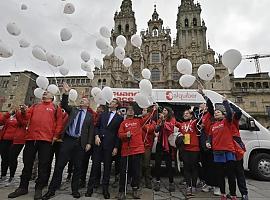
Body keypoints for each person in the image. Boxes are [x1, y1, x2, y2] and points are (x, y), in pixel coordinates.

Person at [42, 82, 94, 199]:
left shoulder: (90, 117)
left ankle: (75, 190)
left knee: (78, 167)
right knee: (59, 165)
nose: (82, 101)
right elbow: (64, 104)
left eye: (84, 100)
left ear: (88, 104)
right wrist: (66, 92)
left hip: (80, 143)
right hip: (68, 141)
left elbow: (91, 131)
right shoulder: (73, 110)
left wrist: (89, 143)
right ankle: (51, 190)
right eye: (81, 100)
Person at [8, 91, 63, 200]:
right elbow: (26, 118)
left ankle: (39, 188)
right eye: (44, 92)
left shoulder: (56, 108)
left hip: (46, 140)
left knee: (43, 165)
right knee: (27, 163)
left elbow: (59, 123)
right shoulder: (35, 105)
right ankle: (23, 187)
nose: (44, 93)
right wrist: (23, 111)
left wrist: (56, 135)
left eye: (47, 93)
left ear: (52, 97)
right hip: (31, 139)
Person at [85, 98, 123, 199]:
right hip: (98, 144)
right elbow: (96, 127)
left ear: (116, 105)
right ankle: (90, 188)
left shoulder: (120, 118)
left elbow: (118, 135)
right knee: (95, 167)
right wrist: (96, 136)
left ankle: (105, 189)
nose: (110, 103)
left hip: (109, 146)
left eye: (113, 102)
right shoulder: (103, 114)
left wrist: (116, 147)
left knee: (107, 168)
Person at [117, 105, 156, 200]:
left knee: (136, 171)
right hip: (126, 151)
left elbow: (148, 117)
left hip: (137, 150)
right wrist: (126, 134)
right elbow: (120, 135)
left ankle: (135, 189)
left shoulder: (138, 121)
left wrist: (154, 109)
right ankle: (122, 190)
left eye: (132, 110)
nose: (130, 111)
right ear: (126, 112)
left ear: (134, 113)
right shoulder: (123, 123)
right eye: (128, 110)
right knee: (124, 172)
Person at [206, 96, 237, 200]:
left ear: (223, 115)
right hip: (217, 152)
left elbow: (229, 113)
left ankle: (233, 194)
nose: (216, 113)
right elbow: (209, 137)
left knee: (231, 175)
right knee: (220, 174)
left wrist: (225, 102)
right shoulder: (212, 126)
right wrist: (208, 143)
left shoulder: (227, 122)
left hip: (228, 151)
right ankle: (223, 194)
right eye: (215, 113)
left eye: (218, 112)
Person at [197, 88, 220, 196]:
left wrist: (204, 95)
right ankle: (208, 183)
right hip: (203, 143)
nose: (201, 106)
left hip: (211, 142)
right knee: (205, 164)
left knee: (213, 165)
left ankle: (217, 186)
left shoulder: (210, 114)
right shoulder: (203, 116)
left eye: (203, 105)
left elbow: (210, 105)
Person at [79, 105, 105, 188]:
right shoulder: (93, 115)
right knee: (84, 161)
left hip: (97, 143)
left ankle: (96, 181)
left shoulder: (104, 118)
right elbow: (88, 109)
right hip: (88, 141)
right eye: (98, 109)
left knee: (96, 162)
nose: (99, 110)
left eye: (101, 110)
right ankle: (82, 180)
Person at [175, 109, 200, 196]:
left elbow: (199, 119)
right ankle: (188, 186)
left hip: (194, 149)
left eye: (187, 113)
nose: (185, 115)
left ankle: (194, 186)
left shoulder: (193, 122)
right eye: (184, 113)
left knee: (194, 168)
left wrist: (192, 111)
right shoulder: (181, 125)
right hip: (185, 149)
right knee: (186, 168)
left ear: (191, 115)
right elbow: (173, 121)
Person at [154, 107, 176, 192]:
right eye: (163, 110)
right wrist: (160, 123)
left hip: (168, 144)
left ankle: (171, 182)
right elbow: (156, 129)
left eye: (165, 110)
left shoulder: (172, 119)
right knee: (157, 164)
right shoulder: (159, 119)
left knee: (169, 164)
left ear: (169, 112)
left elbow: (170, 128)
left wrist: (164, 121)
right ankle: (157, 181)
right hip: (160, 143)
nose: (164, 111)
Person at [229, 103, 248, 200]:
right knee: (230, 174)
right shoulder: (223, 122)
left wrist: (229, 103)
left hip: (236, 149)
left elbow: (238, 112)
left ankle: (244, 193)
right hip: (228, 150)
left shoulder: (234, 120)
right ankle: (233, 193)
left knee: (239, 172)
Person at [6, 105, 28, 186]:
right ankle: (5, 174)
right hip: (8, 139)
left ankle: (12, 175)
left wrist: (21, 112)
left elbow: (23, 121)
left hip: (19, 139)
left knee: (13, 156)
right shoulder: (11, 116)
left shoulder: (24, 116)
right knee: (7, 157)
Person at [141, 107, 156, 189]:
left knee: (146, 164)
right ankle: (138, 180)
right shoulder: (140, 120)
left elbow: (150, 129)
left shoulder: (152, 122)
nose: (142, 111)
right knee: (139, 164)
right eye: (142, 110)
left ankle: (147, 180)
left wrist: (144, 124)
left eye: (144, 110)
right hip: (139, 146)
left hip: (147, 146)